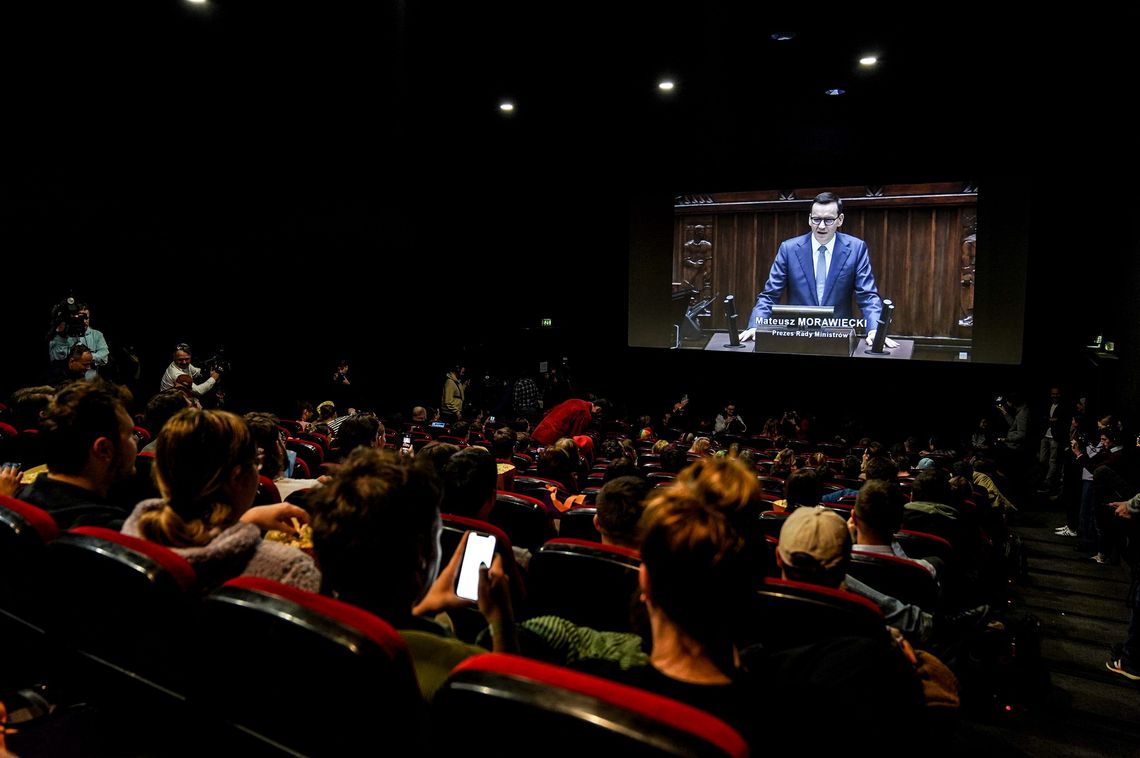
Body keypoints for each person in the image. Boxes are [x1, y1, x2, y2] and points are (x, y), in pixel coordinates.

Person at [121, 408, 319, 591]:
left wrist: (246, 522)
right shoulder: (290, 569)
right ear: (237, 476)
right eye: (255, 463)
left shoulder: (128, 536)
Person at [740, 191, 895, 348]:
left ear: (840, 220)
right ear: (809, 219)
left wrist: (875, 330)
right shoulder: (789, 249)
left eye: (828, 220)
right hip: (796, 336)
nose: (821, 226)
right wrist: (755, 326)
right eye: (816, 219)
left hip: (838, 338)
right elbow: (770, 295)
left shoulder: (855, 248)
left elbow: (868, 296)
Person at [15, 380, 136, 529]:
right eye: (130, 434)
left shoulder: (17, 501)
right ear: (104, 449)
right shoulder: (116, 532)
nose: (135, 440)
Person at [47, 301, 110, 372]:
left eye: (87, 318)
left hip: (89, 378)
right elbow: (56, 358)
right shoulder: (62, 335)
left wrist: (87, 358)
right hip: (66, 378)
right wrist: (62, 335)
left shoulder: (97, 335)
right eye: (81, 318)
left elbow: (104, 357)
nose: (85, 321)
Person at [531, 398, 609, 447]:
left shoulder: (575, 400)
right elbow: (575, 437)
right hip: (548, 440)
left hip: (539, 431)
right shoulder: (585, 414)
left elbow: (548, 412)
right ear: (598, 409)